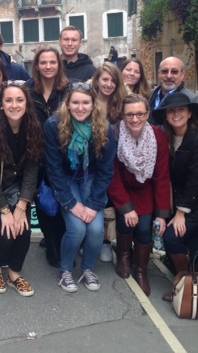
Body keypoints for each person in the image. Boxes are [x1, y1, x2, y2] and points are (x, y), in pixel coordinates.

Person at [45, 83, 117, 293]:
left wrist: (94, 204)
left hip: (91, 178)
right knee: (76, 229)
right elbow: (54, 168)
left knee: (95, 230)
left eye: (86, 102)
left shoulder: (104, 127)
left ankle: (87, 268)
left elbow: (106, 170)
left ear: (93, 105)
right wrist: (70, 203)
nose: (80, 107)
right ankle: (65, 269)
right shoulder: (53, 125)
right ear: (67, 104)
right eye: (75, 102)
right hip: (66, 179)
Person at [0, 82, 43, 297]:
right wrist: (5, 211)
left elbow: (32, 169)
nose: (15, 105)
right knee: (5, 233)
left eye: (19, 100)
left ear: (26, 103)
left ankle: (14, 275)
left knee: (23, 229)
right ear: (1, 105)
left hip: (16, 188)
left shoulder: (33, 128)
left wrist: (22, 205)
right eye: (9, 100)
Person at [150, 93, 198, 302]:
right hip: (180, 201)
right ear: (166, 115)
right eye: (171, 110)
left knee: (171, 237)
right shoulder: (166, 138)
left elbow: (196, 181)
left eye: (181, 110)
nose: (176, 114)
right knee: (196, 245)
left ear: (189, 113)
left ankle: (184, 283)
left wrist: (180, 213)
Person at [108, 94, 171, 296]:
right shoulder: (114, 135)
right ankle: (124, 256)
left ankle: (141, 270)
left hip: (146, 190)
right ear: (123, 116)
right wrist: (126, 207)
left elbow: (162, 176)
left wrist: (161, 213)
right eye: (130, 115)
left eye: (140, 114)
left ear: (147, 114)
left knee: (144, 229)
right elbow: (111, 174)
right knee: (126, 222)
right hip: (122, 190)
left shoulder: (158, 136)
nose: (135, 119)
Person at [26, 46, 69, 268]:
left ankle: (60, 241)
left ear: (58, 65)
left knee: (60, 199)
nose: (48, 66)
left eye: (52, 62)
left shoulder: (68, 91)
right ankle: (50, 241)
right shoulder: (28, 90)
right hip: (34, 153)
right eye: (43, 62)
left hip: (62, 155)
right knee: (42, 201)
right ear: (37, 66)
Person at [91, 63, 127, 263]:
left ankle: (105, 242)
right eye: (105, 79)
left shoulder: (120, 104)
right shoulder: (88, 100)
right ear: (97, 80)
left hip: (112, 161)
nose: (109, 84)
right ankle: (88, 241)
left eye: (113, 81)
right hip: (89, 160)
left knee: (108, 204)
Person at [148, 56, 198, 125]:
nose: (169, 76)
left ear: (182, 75)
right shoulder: (153, 94)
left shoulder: (192, 99)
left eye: (174, 71)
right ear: (159, 74)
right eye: (164, 71)